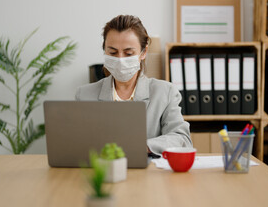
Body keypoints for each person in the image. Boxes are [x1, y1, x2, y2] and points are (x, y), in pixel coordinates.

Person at [75, 15, 192, 155]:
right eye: (112, 52)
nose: (120, 59)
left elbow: (182, 139)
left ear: (143, 52)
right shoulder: (84, 95)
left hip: (148, 173)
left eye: (128, 53)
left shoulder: (165, 92)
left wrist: (141, 146)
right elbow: (76, 143)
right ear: (104, 51)